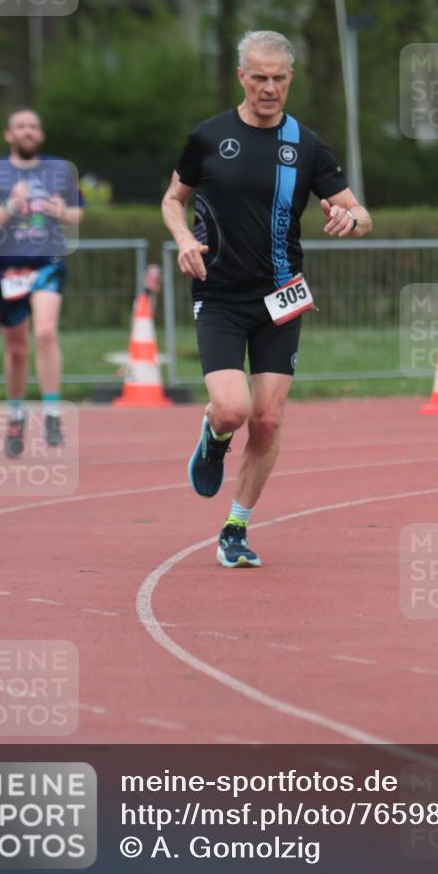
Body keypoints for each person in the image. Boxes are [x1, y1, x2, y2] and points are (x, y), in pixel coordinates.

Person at [162, 30, 371, 569]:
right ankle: (213, 435)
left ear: (290, 79)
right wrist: (184, 239)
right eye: (260, 78)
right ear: (242, 77)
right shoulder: (209, 138)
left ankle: (235, 527)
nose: (270, 88)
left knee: (270, 420)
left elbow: (359, 212)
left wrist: (350, 217)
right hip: (222, 295)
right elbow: (172, 199)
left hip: (282, 296)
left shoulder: (305, 145)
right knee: (233, 409)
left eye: (279, 78)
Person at [0, 108, 83, 456]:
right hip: (6, 269)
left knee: (45, 332)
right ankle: (16, 415)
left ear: (41, 135)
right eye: (21, 126)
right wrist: (11, 205)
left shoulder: (59, 171)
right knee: (17, 350)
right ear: (9, 135)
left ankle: (51, 414)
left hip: (47, 263)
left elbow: (78, 212)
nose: (28, 131)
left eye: (33, 126)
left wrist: (63, 212)